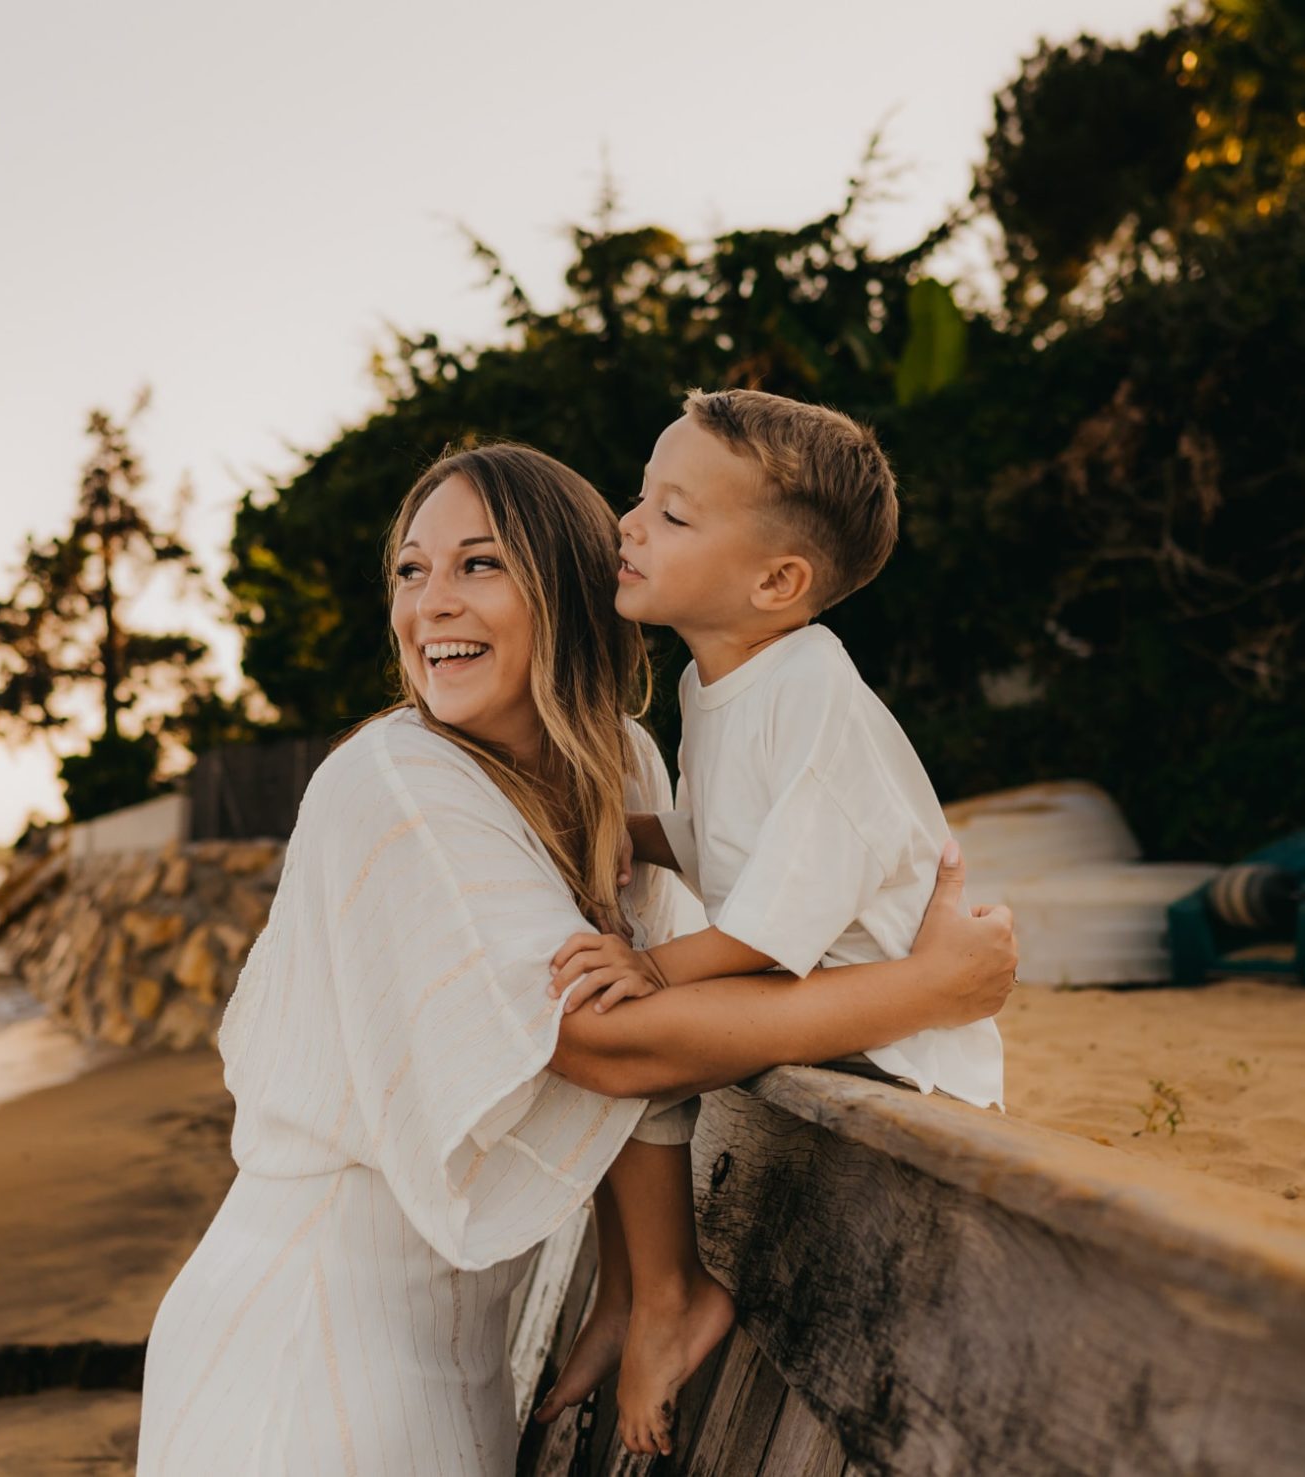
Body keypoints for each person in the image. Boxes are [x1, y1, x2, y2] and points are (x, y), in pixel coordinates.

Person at [134, 442, 1015, 1475]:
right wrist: (924, 989)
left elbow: (647, 1008)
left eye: (479, 564)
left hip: (457, 1342)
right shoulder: (395, 781)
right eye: (412, 571)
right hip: (305, 1330)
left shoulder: (621, 761)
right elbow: (605, 1046)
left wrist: (637, 1285)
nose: (432, 605)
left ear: (565, 578)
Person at [532, 390, 1006, 1455]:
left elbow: (768, 925)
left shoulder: (814, 692)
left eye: (674, 513)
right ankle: (634, 1289)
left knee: (624, 1031)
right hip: (815, 1001)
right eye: (640, 498)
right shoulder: (725, 683)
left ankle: (668, 1296)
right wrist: (643, 838)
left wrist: (651, 968)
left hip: (893, 1038)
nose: (630, 525)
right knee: (608, 1037)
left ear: (778, 582)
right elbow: (726, 847)